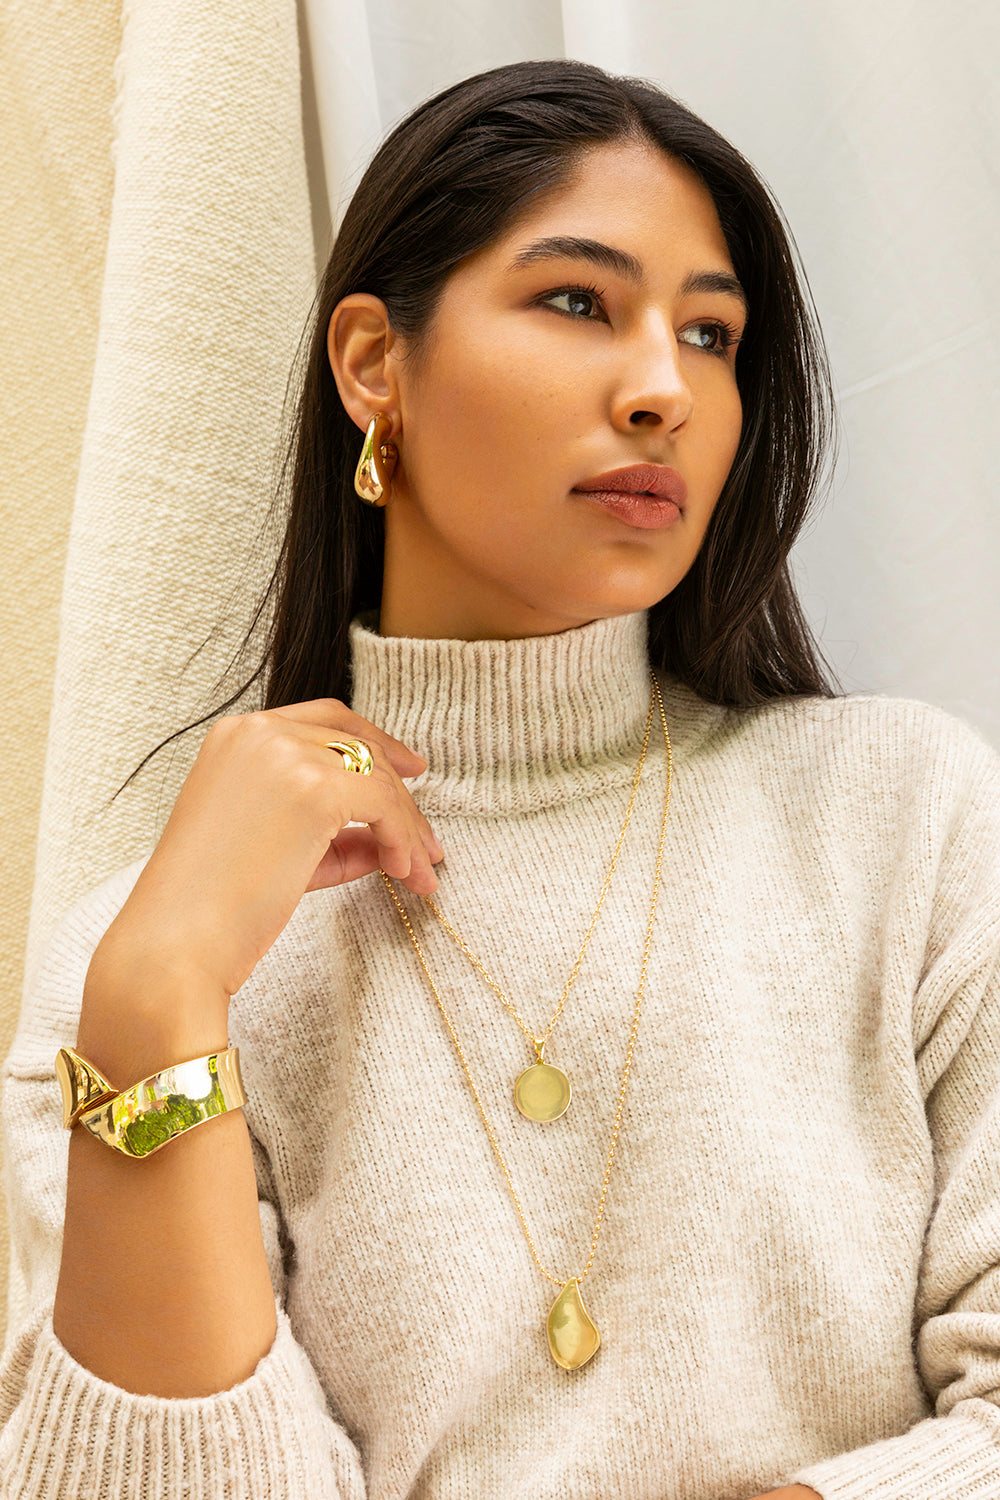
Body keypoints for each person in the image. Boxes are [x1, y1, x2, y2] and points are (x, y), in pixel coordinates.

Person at [2, 57, 999, 1500]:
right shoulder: (150, 964)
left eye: (710, 334)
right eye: (578, 301)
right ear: (373, 364)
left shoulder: (907, 820)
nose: (662, 389)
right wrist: (159, 997)